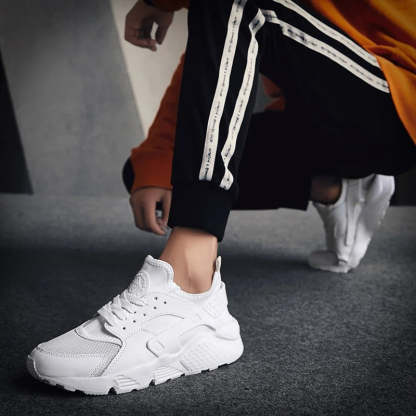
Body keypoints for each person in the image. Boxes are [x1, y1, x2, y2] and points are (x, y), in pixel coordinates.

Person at [27, 0, 416, 395]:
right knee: (153, 170)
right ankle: (335, 186)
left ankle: (191, 287)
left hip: (399, 100)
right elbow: (219, 56)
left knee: (240, 4)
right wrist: (160, 155)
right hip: (322, 115)